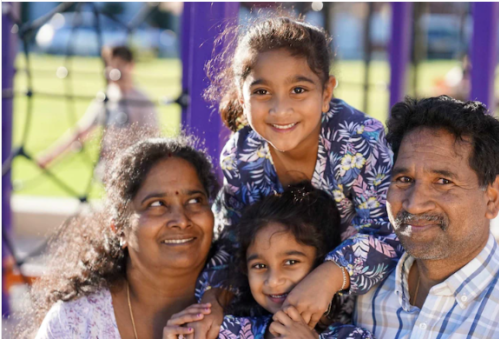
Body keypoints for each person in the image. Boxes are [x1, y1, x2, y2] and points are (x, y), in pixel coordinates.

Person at [195, 16, 399, 338]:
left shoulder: (358, 141)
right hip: (272, 310)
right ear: (241, 95)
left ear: (327, 92)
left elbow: (390, 233)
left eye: (298, 90)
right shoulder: (242, 156)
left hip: (360, 311)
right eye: (262, 91)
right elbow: (231, 238)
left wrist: (329, 276)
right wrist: (213, 299)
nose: (280, 109)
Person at [354, 96, 499, 338]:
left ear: (492, 198)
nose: (414, 204)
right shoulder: (362, 291)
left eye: (444, 182)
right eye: (404, 180)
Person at [20, 136, 219, 339]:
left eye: (195, 200)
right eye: (157, 204)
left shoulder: (240, 314)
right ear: (119, 229)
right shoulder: (77, 322)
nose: (182, 220)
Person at [167, 182, 373, 338]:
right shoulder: (228, 332)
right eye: (260, 266)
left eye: (291, 262)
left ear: (321, 263)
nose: (273, 280)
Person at [36, 45, 159, 180]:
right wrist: (51, 156)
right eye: (110, 66)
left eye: (119, 65)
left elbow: (151, 140)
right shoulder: (106, 96)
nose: (114, 71)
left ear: (131, 66)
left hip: (134, 173)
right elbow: (82, 131)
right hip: (110, 171)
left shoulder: (142, 101)